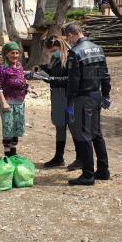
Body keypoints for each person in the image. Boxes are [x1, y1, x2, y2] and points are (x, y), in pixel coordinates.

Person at [64, 23, 111, 185]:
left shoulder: (75, 53)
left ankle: (88, 174)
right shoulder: (98, 49)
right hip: (96, 95)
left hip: (82, 98)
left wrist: (69, 102)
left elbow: (74, 81)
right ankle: (103, 170)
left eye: (67, 37)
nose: (67, 40)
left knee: (83, 136)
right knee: (96, 134)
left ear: (71, 35)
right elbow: (105, 75)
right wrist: (106, 94)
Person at [40, 36, 81, 169]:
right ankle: (59, 157)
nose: (52, 53)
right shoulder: (56, 58)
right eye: (51, 51)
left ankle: (80, 158)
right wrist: (43, 71)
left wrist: (52, 79)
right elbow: (54, 72)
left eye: (54, 50)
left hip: (68, 96)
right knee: (60, 126)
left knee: (74, 127)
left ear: (60, 46)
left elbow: (71, 79)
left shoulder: (71, 58)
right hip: (57, 96)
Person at [0, 42, 37, 157]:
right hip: (7, 103)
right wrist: (3, 102)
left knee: (16, 128)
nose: (15, 55)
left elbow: (22, 81)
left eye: (17, 53)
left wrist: (29, 89)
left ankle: (13, 153)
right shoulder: (2, 67)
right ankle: (7, 155)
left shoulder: (19, 66)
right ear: (6, 54)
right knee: (8, 128)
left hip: (19, 103)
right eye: (12, 53)